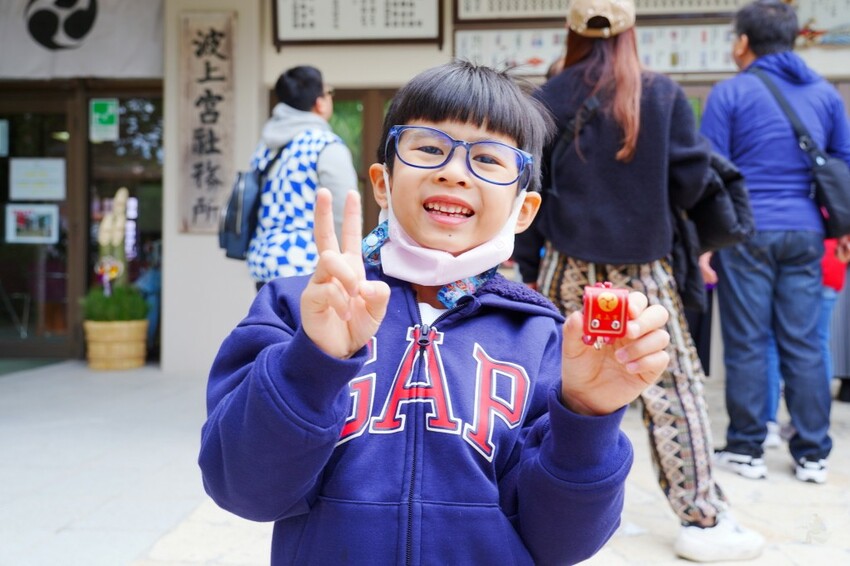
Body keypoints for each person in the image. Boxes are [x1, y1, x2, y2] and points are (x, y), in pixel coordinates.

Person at [199, 60, 673, 565]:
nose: (453, 171)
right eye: (428, 148)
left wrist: (587, 416)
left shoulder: (541, 338)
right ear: (382, 182)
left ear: (524, 209)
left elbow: (561, 543)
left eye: (489, 160)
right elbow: (244, 490)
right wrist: (312, 363)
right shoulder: (296, 308)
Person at [513, 0, 765, 561]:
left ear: (572, 31)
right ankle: (701, 520)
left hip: (565, 265)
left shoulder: (548, 98)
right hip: (641, 271)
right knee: (672, 390)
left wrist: (528, 270)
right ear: (631, 32)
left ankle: (563, 507)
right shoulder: (661, 93)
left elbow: (530, 191)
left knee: (554, 381)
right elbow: (689, 182)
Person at [700, 0, 850, 485]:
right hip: (807, 231)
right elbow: (842, 163)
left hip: (746, 231)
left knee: (747, 341)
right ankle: (812, 453)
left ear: (743, 42)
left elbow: (709, 173)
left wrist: (705, 240)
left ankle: (747, 447)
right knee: (805, 342)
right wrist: (842, 229)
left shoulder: (730, 93)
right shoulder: (825, 94)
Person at [246, 65, 358, 291]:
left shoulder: (265, 148)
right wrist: (346, 264)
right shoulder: (324, 145)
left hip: (263, 263)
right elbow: (343, 212)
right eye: (328, 92)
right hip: (306, 267)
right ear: (320, 103)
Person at [762, 237, 850, 447]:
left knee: (773, 341)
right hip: (831, 262)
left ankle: (769, 424)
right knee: (818, 343)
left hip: (802, 263)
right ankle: (813, 424)